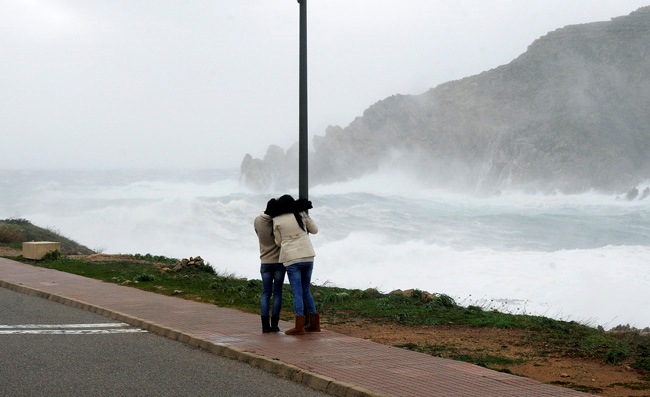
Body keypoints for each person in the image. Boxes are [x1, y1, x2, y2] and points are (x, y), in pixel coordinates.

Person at [272, 194, 320, 335]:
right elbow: (315, 230)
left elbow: (278, 242)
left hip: (292, 258)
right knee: (306, 290)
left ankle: (299, 326)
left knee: (297, 292)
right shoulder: (300, 214)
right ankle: (315, 324)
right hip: (308, 256)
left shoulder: (277, 220)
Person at [254, 198, 285, 333]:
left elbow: (257, 234)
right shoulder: (278, 222)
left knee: (266, 293)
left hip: (265, 262)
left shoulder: (257, 220)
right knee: (277, 293)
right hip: (278, 262)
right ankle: (275, 325)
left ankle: (265, 325)